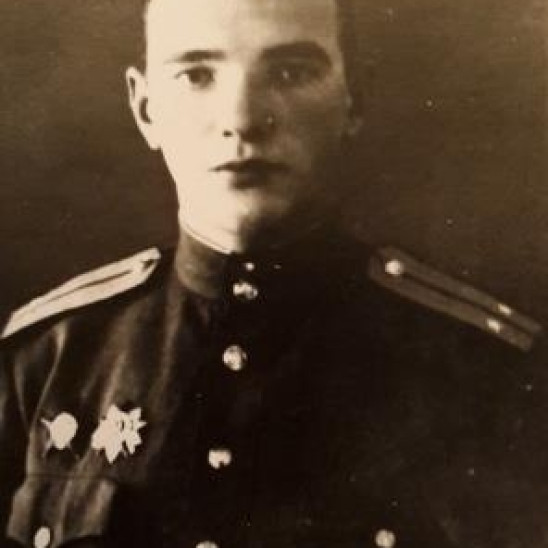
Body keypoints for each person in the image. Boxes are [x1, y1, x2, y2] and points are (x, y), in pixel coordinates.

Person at [1, 0, 547, 546]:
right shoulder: (45, 359)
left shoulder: (484, 373)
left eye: (291, 73)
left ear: (354, 97)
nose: (242, 120)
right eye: (196, 75)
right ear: (145, 109)